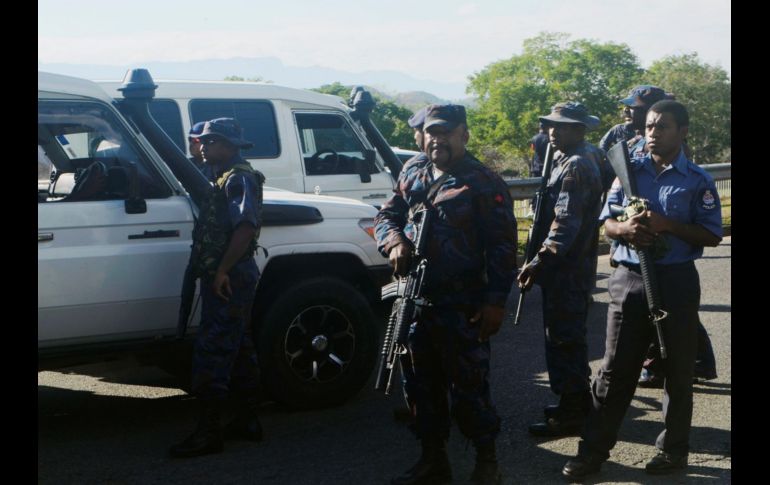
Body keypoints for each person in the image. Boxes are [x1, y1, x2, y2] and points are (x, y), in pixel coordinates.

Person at [562, 100, 723, 479]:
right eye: (650, 126)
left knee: (678, 369)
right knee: (614, 370)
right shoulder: (627, 172)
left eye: (662, 126)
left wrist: (667, 225)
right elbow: (607, 224)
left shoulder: (698, 180)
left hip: (676, 280)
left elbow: (712, 234)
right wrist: (626, 229)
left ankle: (673, 451)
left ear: (682, 132)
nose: (652, 133)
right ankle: (593, 452)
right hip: (629, 279)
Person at [375, 104, 517, 484]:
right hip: (417, 301)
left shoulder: (482, 182)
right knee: (420, 386)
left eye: (446, 133)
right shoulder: (412, 171)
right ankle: (433, 459)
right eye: (432, 133)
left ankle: (487, 461)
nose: (438, 139)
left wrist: (494, 303)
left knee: (469, 385)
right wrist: (394, 242)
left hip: (463, 303)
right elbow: (387, 214)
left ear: (464, 136)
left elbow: (503, 247)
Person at [169, 118, 266, 458]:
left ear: (229, 146)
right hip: (232, 275)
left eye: (212, 142)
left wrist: (222, 270)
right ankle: (247, 419)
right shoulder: (225, 174)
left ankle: (208, 432)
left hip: (231, 276)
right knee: (239, 346)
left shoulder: (238, 178)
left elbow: (245, 228)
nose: (205, 147)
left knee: (213, 350)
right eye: (204, 142)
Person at [517, 102, 604, 438]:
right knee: (568, 339)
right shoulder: (579, 156)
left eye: (563, 126)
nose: (553, 131)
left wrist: (539, 261)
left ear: (580, 129)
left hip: (566, 269)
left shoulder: (575, 165)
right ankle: (575, 402)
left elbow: (565, 224)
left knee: (564, 340)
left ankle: (573, 413)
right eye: (551, 125)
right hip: (573, 266)